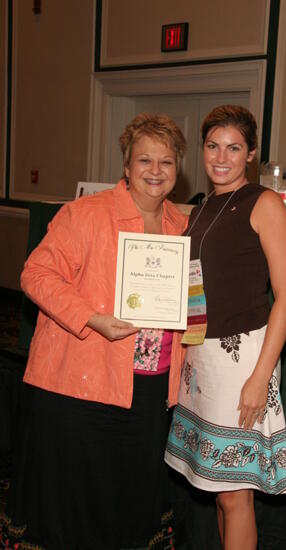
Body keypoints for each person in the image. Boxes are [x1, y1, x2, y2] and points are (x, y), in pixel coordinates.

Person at [1, 113, 188, 550]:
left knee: (128, 503)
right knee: (73, 506)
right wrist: (91, 317)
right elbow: (36, 274)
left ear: (178, 169)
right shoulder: (85, 214)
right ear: (126, 166)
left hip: (148, 388)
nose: (155, 172)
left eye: (166, 162)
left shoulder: (181, 225)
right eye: (145, 160)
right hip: (79, 385)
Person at [165, 105, 286, 550]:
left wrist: (260, 378)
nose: (222, 157)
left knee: (234, 493)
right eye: (213, 146)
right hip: (203, 358)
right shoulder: (205, 207)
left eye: (234, 148)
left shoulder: (264, 203)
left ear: (251, 154)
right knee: (221, 491)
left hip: (242, 361)